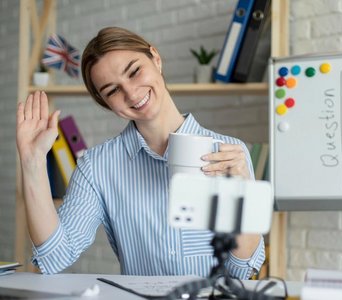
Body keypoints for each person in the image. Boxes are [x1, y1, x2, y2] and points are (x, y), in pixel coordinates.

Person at [16, 27, 265, 279]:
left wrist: (242, 194)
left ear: (155, 59)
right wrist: (32, 161)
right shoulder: (97, 166)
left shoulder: (229, 153)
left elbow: (243, 268)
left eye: (134, 71)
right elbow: (53, 257)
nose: (132, 93)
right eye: (112, 90)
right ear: (107, 104)